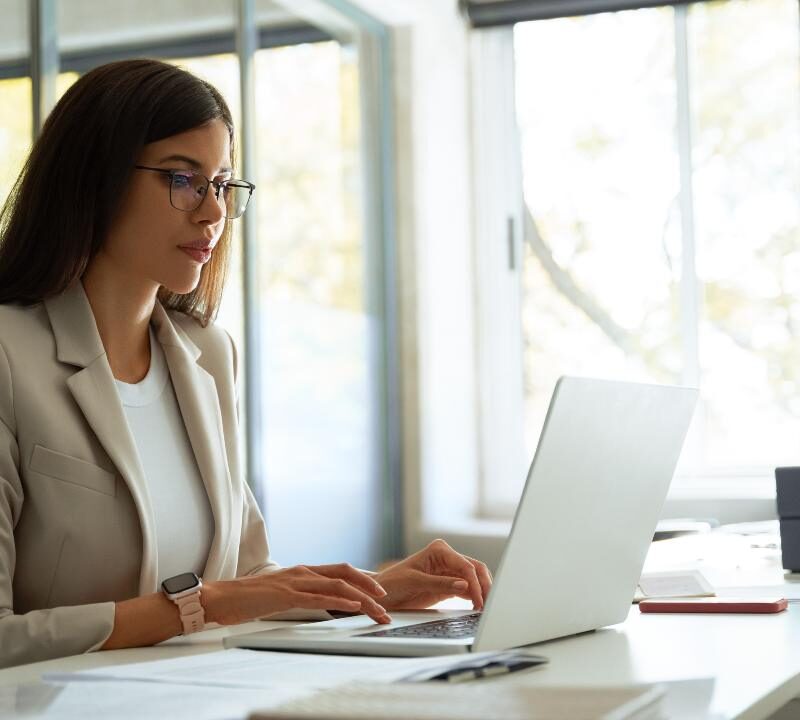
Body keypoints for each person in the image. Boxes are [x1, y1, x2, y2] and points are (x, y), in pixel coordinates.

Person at [0, 59, 491, 669]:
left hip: (202, 696)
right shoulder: (8, 357)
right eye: (183, 180)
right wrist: (196, 607)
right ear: (95, 179)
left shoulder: (207, 354)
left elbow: (246, 576)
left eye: (223, 185)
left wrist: (380, 590)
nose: (212, 213)